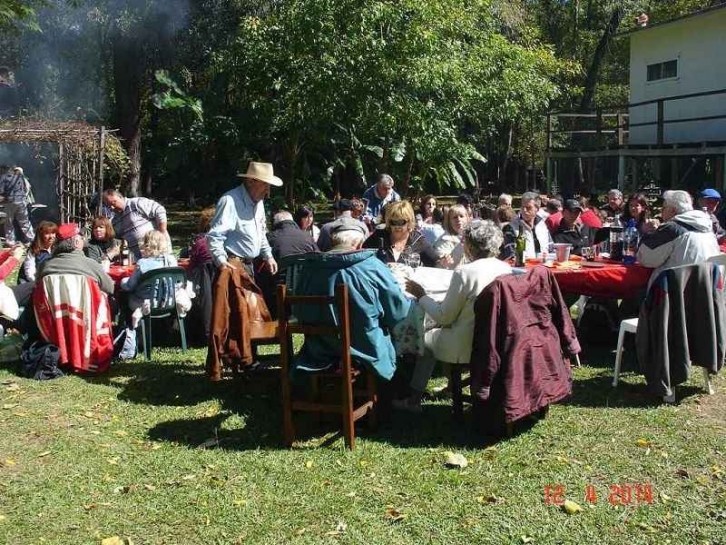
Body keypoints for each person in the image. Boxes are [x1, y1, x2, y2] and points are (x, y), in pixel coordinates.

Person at [394, 220, 512, 412]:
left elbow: (444, 317)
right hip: (495, 339)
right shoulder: (505, 268)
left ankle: (414, 399)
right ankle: (452, 385)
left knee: (426, 339)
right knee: (443, 330)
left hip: (467, 344)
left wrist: (421, 295)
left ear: (469, 245)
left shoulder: (465, 272)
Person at [290, 220, 410, 381]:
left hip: (318, 349)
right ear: (359, 243)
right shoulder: (372, 266)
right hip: (366, 349)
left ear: (333, 241)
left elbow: (298, 310)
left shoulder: (309, 269)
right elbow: (398, 309)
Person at [206, 161, 280, 277]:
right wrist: (221, 261)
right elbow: (215, 235)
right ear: (250, 181)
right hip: (232, 266)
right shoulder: (230, 201)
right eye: (265, 184)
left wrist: (268, 256)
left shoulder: (259, 203)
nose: (268, 191)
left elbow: (261, 234)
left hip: (249, 267)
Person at [637, 190, 720, 287]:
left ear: (673, 210)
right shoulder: (707, 227)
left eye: (663, 208)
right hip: (705, 290)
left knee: (635, 292)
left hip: (674, 293)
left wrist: (648, 233)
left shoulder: (672, 228)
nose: (661, 212)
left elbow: (645, 259)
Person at [37, 223, 114, 294]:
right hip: (84, 308)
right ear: (76, 242)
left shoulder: (44, 266)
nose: (83, 240)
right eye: (81, 238)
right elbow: (110, 288)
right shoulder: (91, 265)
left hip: (54, 308)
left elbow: (38, 287)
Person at [363, 201, 438, 266]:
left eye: (401, 222)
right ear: (388, 222)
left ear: (409, 221)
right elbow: (361, 256)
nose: (397, 226)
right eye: (393, 222)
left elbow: (436, 262)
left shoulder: (418, 240)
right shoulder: (379, 236)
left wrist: (443, 262)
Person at [120, 230, 178, 315]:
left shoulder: (142, 263)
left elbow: (130, 286)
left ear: (146, 244)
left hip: (145, 302)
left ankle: (131, 325)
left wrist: (123, 282)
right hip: (169, 301)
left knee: (127, 295)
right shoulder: (171, 260)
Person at [102, 189, 168, 259]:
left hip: (157, 250)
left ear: (120, 197)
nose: (112, 207)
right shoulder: (115, 220)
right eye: (109, 206)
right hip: (137, 257)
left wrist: (162, 233)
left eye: (113, 202)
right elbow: (117, 239)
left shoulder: (136, 203)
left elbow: (159, 210)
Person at [502, 191, 552, 260]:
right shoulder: (511, 227)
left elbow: (551, 248)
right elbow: (510, 255)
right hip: (523, 268)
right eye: (522, 207)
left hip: (545, 266)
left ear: (537, 209)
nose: (524, 210)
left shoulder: (542, 224)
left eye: (528, 208)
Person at [0, 165, 34, 246]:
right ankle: (32, 239)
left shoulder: (3, 177)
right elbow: (25, 189)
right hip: (22, 201)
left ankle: (10, 242)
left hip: (10, 202)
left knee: (8, 222)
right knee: (25, 222)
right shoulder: (19, 177)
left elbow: (1, 192)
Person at [433, 204, 470, 269]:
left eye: (461, 216)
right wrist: (443, 262)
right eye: (455, 217)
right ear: (449, 221)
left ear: (467, 218)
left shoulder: (473, 237)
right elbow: (438, 266)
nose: (458, 219)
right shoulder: (443, 241)